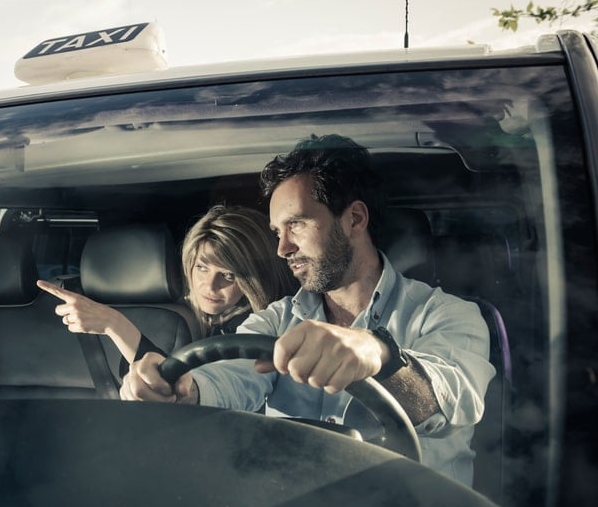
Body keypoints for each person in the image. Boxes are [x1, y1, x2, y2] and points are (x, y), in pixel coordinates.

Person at [120, 134, 494, 486]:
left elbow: (446, 403)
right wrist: (185, 389)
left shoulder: (447, 314)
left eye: (296, 224)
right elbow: (231, 376)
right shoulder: (275, 320)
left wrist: (377, 353)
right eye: (277, 231)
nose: (282, 248)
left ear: (355, 219)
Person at [36, 205, 297, 373]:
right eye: (202, 268)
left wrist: (114, 323)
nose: (210, 285)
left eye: (228, 275)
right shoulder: (176, 311)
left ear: (254, 279)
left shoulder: (258, 329)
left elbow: (182, 394)